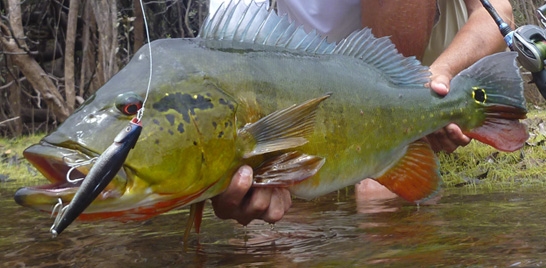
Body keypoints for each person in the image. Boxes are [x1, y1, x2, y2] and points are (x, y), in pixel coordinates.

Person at [210, 0, 515, 225]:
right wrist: (219, 180)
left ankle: (395, 144)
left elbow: (498, 14)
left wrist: (439, 77)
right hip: (297, 86)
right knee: (267, 240)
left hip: (421, 66)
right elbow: (223, 59)